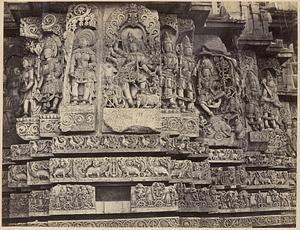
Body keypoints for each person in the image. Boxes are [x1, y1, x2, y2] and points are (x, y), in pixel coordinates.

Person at [70, 29, 96, 105]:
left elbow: (94, 62)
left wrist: (91, 65)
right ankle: (75, 98)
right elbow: (72, 62)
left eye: (83, 41)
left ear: (88, 42)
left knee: (87, 84)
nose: (81, 42)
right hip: (78, 69)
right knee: (74, 83)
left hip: (87, 70)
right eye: (80, 41)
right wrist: (72, 70)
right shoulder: (76, 51)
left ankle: (85, 99)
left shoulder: (90, 52)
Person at [161, 32, 178, 108]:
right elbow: (159, 65)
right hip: (163, 73)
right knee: (161, 84)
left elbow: (176, 66)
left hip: (170, 73)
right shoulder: (162, 56)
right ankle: (162, 100)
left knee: (169, 85)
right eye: (166, 46)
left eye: (169, 46)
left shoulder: (174, 57)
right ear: (163, 47)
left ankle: (170, 99)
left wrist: (176, 69)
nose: (168, 48)